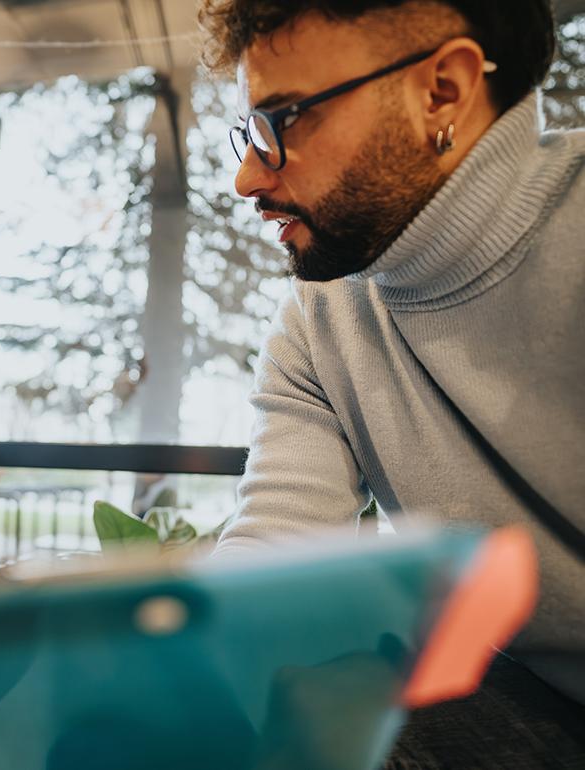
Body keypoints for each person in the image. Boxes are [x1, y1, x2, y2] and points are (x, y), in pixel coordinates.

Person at [198, 0, 585, 766]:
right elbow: (276, 553)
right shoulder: (320, 312)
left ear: (442, 90)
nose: (247, 176)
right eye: (252, 130)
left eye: (287, 119)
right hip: (521, 700)